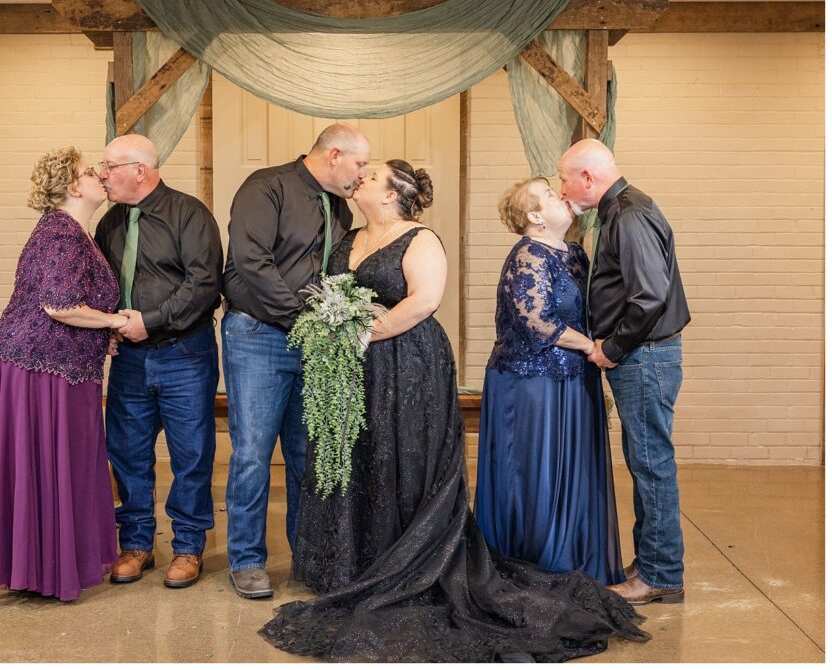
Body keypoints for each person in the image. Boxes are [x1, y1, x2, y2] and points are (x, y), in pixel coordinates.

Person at [261, 160, 648, 662]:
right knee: (357, 457)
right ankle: (353, 562)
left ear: (394, 192)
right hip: (353, 370)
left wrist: (363, 330)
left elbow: (424, 301)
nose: (362, 178)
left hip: (408, 364)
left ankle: (411, 559)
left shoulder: (420, 238)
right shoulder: (346, 237)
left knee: (403, 458)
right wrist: (335, 325)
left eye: (373, 174)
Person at [222, 123, 370, 599]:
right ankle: (246, 560)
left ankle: (309, 558)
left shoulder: (341, 209)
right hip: (258, 334)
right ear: (333, 155)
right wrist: (304, 320)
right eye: (359, 164)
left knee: (308, 455)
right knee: (252, 454)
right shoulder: (266, 187)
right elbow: (251, 262)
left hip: (314, 340)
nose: (362, 174)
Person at [0, 146, 122, 601]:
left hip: (57, 366)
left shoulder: (74, 232)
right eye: (90, 172)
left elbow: (71, 306)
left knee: (57, 467)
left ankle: (43, 566)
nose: (99, 177)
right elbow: (59, 306)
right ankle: (43, 569)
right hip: (38, 368)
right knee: (49, 465)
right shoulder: (62, 234)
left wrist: (100, 332)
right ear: (73, 186)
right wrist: (115, 321)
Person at [558, 138, 691, 605]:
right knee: (645, 461)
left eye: (565, 179)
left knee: (651, 464)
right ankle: (655, 560)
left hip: (644, 356)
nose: (562, 188)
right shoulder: (622, 209)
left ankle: (661, 575)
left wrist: (611, 348)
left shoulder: (629, 215)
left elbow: (649, 297)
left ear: (587, 179)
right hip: (645, 356)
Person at [474, 177, 623, 585]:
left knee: (573, 473)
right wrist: (593, 346)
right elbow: (538, 322)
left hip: (575, 383)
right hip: (533, 385)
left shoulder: (573, 253)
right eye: (549, 194)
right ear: (534, 216)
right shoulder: (527, 255)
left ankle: (575, 556)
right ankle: (536, 565)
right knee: (536, 476)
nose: (560, 195)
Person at [94, 134, 223, 589]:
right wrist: (107, 327)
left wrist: (150, 321)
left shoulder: (189, 214)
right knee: (127, 453)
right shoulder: (109, 223)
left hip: (184, 354)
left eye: (109, 166)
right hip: (128, 358)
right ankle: (136, 544)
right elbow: (103, 286)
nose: (102, 174)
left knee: (191, 455)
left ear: (139, 171)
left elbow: (204, 283)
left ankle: (188, 548)